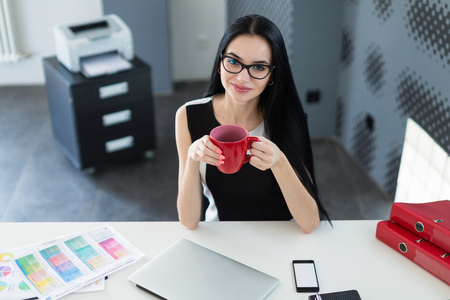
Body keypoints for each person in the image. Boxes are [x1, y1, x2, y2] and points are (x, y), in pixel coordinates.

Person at [175, 14, 331, 233]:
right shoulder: (187, 116)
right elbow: (188, 221)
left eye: (258, 67)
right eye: (233, 61)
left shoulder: (288, 119)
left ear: (272, 76)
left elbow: (310, 222)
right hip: (223, 237)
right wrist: (192, 158)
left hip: (280, 238)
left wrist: (279, 163)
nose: (242, 78)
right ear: (220, 64)